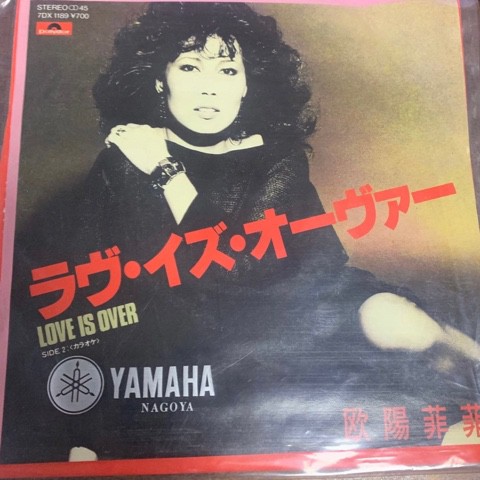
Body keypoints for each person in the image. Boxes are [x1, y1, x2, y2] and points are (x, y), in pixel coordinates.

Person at [1, 2, 477, 464]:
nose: (209, 89)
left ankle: (463, 354)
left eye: (227, 71)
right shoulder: (129, 154)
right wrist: (84, 427)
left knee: (397, 322)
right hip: (196, 331)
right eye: (190, 68)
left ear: (248, 85)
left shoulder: (274, 156)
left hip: (295, 303)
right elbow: (88, 290)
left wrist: (166, 170)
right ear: (159, 79)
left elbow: (244, 263)